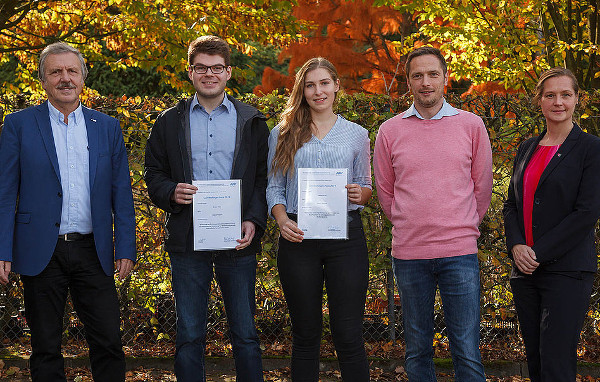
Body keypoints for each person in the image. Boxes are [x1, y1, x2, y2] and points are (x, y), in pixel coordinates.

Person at [0, 42, 136, 382]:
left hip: (94, 250)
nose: (65, 78)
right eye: (56, 72)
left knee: (108, 341)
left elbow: (122, 193)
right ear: (43, 80)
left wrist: (126, 248)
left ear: (82, 78)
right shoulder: (18, 125)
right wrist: (2, 249)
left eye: (72, 71)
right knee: (45, 346)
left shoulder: (106, 127)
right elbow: (5, 193)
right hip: (40, 249)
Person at [144, 35, 268, 382]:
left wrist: (253, 219)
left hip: (237, 241)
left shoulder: (252, 120)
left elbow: (262, 178)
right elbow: (152, 172)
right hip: (188, 239)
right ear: (190, 72)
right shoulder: (170, 121)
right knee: (189, 334)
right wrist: (170, 191)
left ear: (229, 72)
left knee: (245, 333)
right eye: (202, 68)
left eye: (216, 68)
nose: (209, 74)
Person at [373, 46, 492, 381]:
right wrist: (409, 222)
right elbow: (386, 190)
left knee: (467, 349)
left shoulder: (471, 125)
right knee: (417, 348)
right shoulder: (390, 130)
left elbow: (481, 187)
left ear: (445, 78)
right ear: (408, 82)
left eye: (432, 74)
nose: (425, 82)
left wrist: (462, 226)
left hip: (460, 252)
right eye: (417, 75)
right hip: (410, 254)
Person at [267, 57, 372, 381]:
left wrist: (360, 195)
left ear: (336, 85)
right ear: (303, 89)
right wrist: (282, 221)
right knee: (306, 333)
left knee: (348, 333)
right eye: (310, 85)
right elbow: (274, 186)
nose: (318, 91)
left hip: (346, 239)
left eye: (324, 83)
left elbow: (366, 185)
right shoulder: (282, 133)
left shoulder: (357, 134)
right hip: (298, 238)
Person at [503, 68, 600, 381]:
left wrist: (536, 252)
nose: (558, 101)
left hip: (567, 270)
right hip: (525, 273)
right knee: (536, 363)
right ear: (539, 101)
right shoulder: (527, 148)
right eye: (550, 95)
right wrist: (517, 246)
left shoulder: (591, 148)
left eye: (565, 94)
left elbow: (586, 213)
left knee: (556, 364)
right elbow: (511, 205)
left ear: (576, 100)